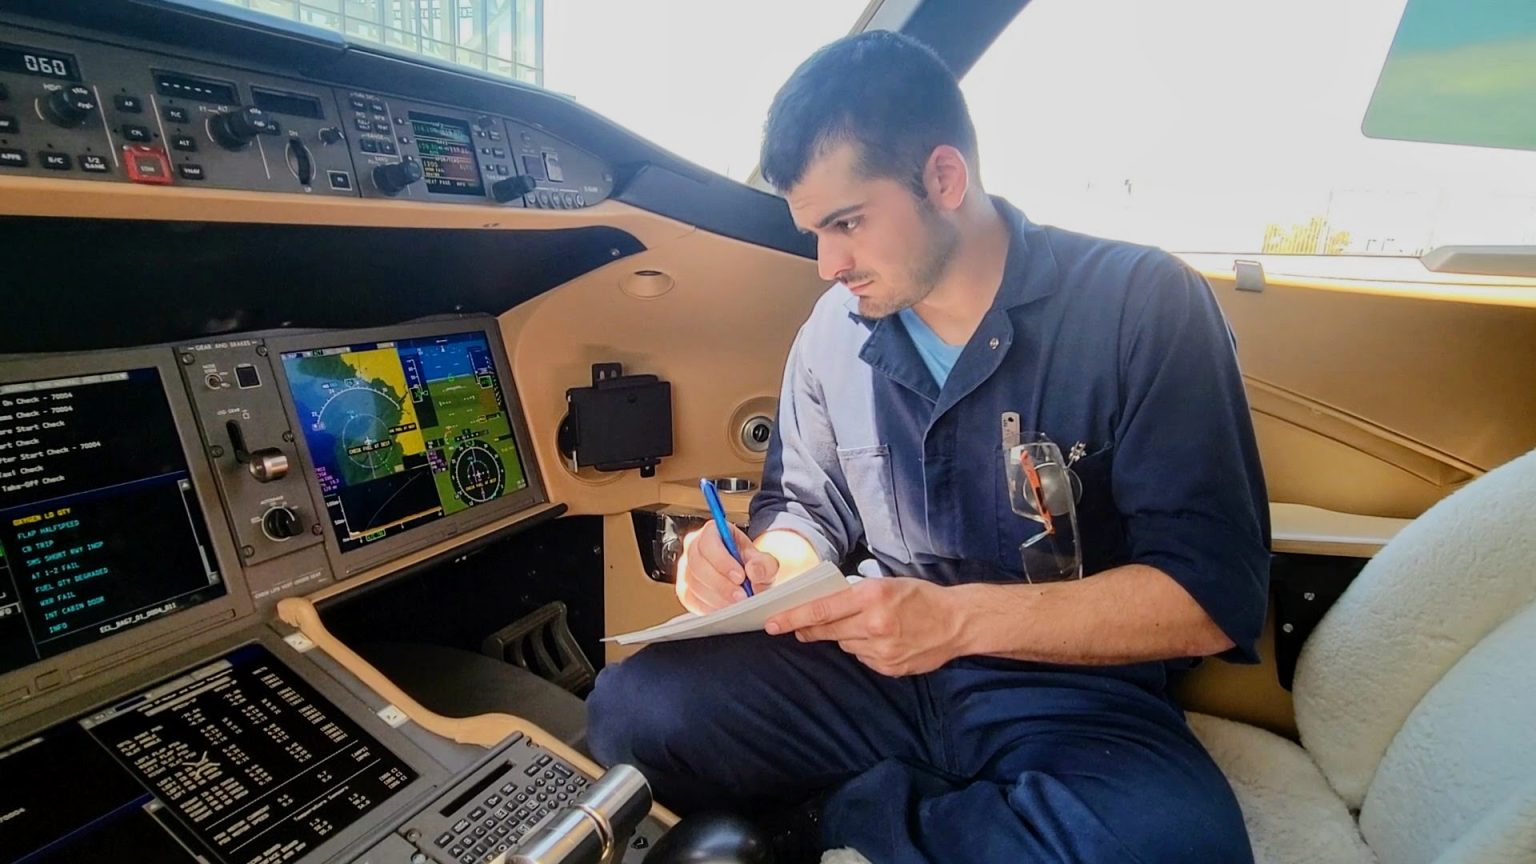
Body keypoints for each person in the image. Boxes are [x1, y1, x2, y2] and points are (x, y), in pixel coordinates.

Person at [587, 29, 1268, 864]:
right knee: (634, 713)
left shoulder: (1144, 305)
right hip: (871, 668)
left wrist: (953, 621)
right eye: (813, 232)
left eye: (847, 222)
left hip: (1068, 691)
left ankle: (842, 824)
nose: (826, 263)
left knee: (1177, 851)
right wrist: (756, 567)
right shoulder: (833, 333)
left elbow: (1208, 596)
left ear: (945, 178)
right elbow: (805, 510)